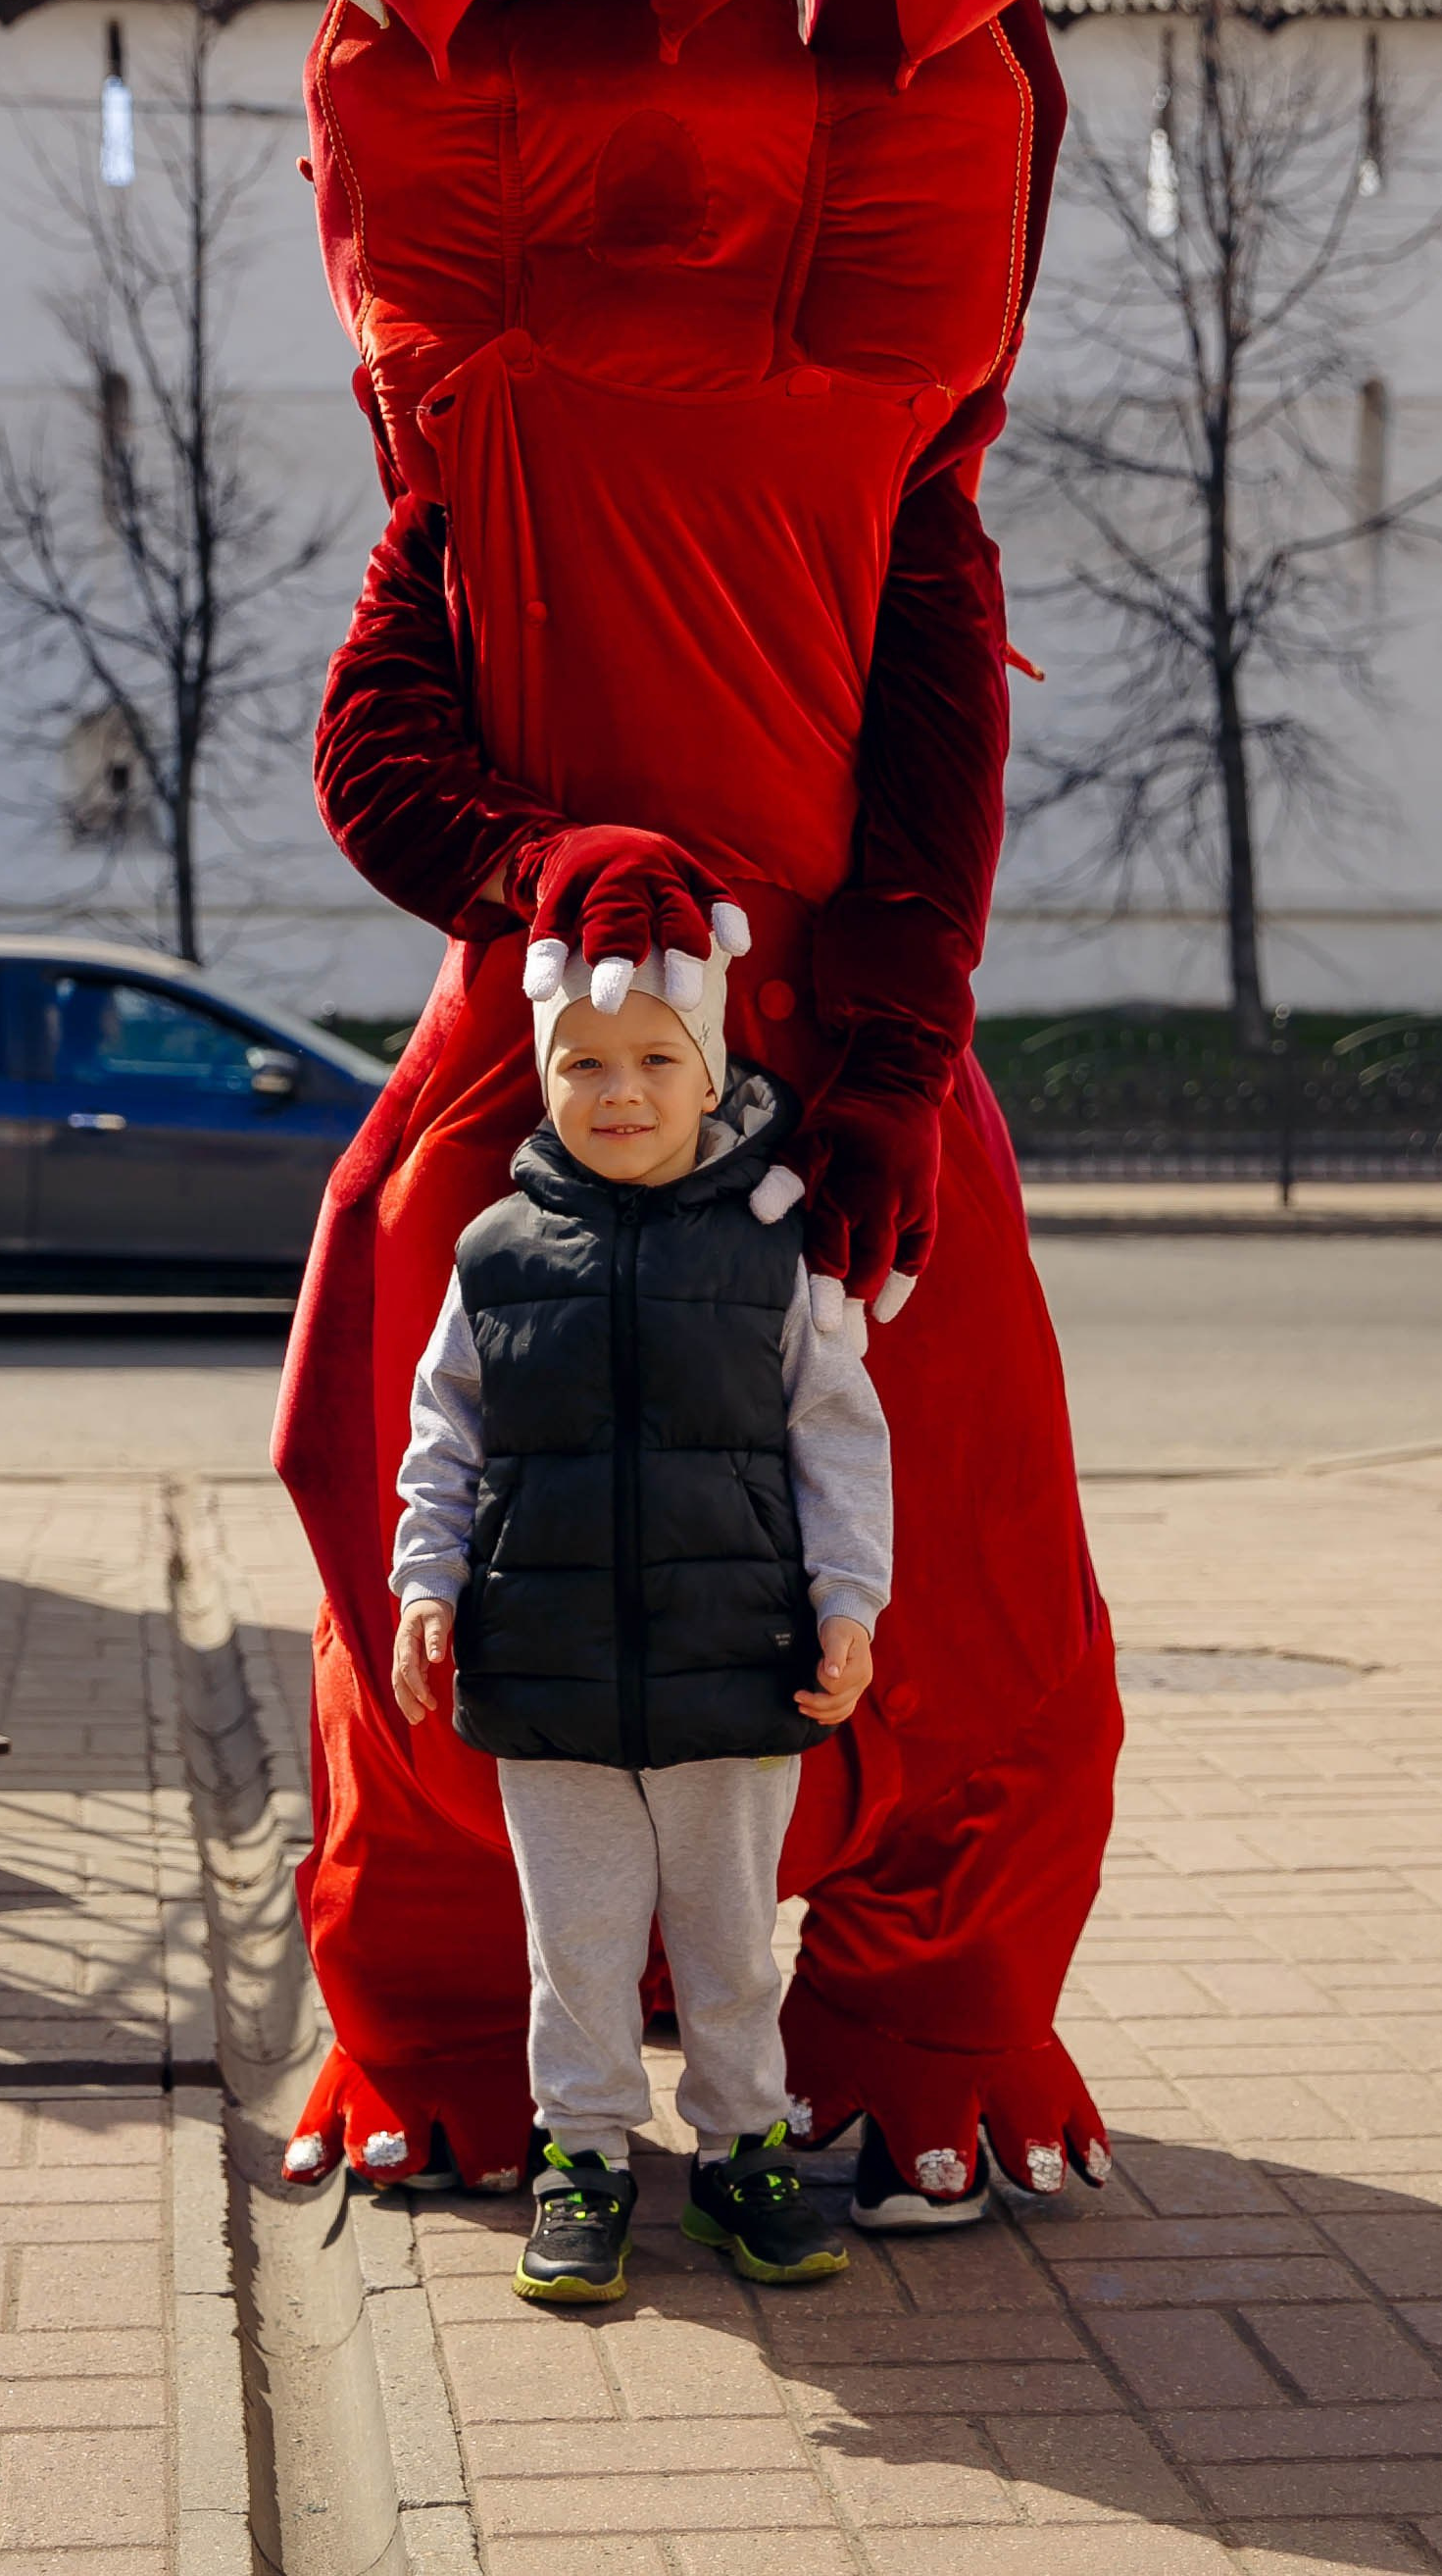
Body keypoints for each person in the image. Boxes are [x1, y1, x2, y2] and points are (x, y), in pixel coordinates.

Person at [389, 934, 893, 2306]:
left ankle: (745, 2159)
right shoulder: (494, 1256)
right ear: (543, 1079)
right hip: (545, 1676)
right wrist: (423, 1585)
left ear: (711, 1070)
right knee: (580, 1945)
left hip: (737, 1675)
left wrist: (850, 1604)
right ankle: (587, 2161)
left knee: (733, 1944)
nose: (621, 1090)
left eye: (657, 1061)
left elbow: (838, 1442)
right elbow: (444, 1438)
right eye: (586, 1064)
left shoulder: (775, 1250)